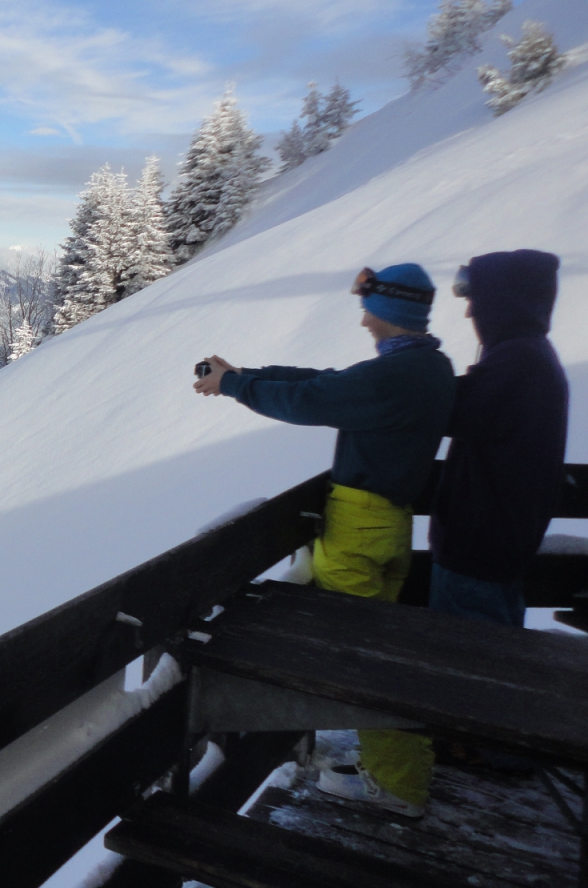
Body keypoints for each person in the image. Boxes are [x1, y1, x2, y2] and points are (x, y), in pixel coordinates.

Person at [193, 263, 455, 818]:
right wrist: (243, 374)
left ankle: (399, 785)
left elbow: (309, 400)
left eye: (370, 311)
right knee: (379, 651)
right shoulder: (427, 367)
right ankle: (403, 767)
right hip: (392, 523)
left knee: (364, 664)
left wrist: (236, 385)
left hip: (359, 526)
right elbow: (328, 382)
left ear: (391, 314)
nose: (363, 322)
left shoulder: (394, 376)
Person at [430, 251, 569, 626]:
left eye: (476, 300)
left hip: (477, 556)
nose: (469, 312)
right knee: (492, 661)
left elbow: (449, 411)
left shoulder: (518, 362)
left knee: (467, 667)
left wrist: (411, 369)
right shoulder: (529, 355)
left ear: (501, 301)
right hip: (497, 551)